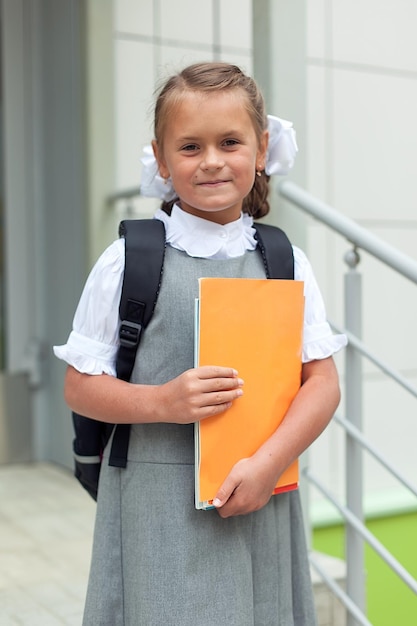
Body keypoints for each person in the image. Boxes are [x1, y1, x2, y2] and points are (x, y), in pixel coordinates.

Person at [54, 62, 346, 626]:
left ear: (261, 150)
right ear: (162, 160)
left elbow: (323, 383)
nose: (211, 160)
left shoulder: (284, 262)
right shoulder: (130, 260)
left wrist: (268, 463)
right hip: (156, 502)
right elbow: (78, 385)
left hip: (260, 492)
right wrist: (164, 402)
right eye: (190, 146)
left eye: (230, 142)